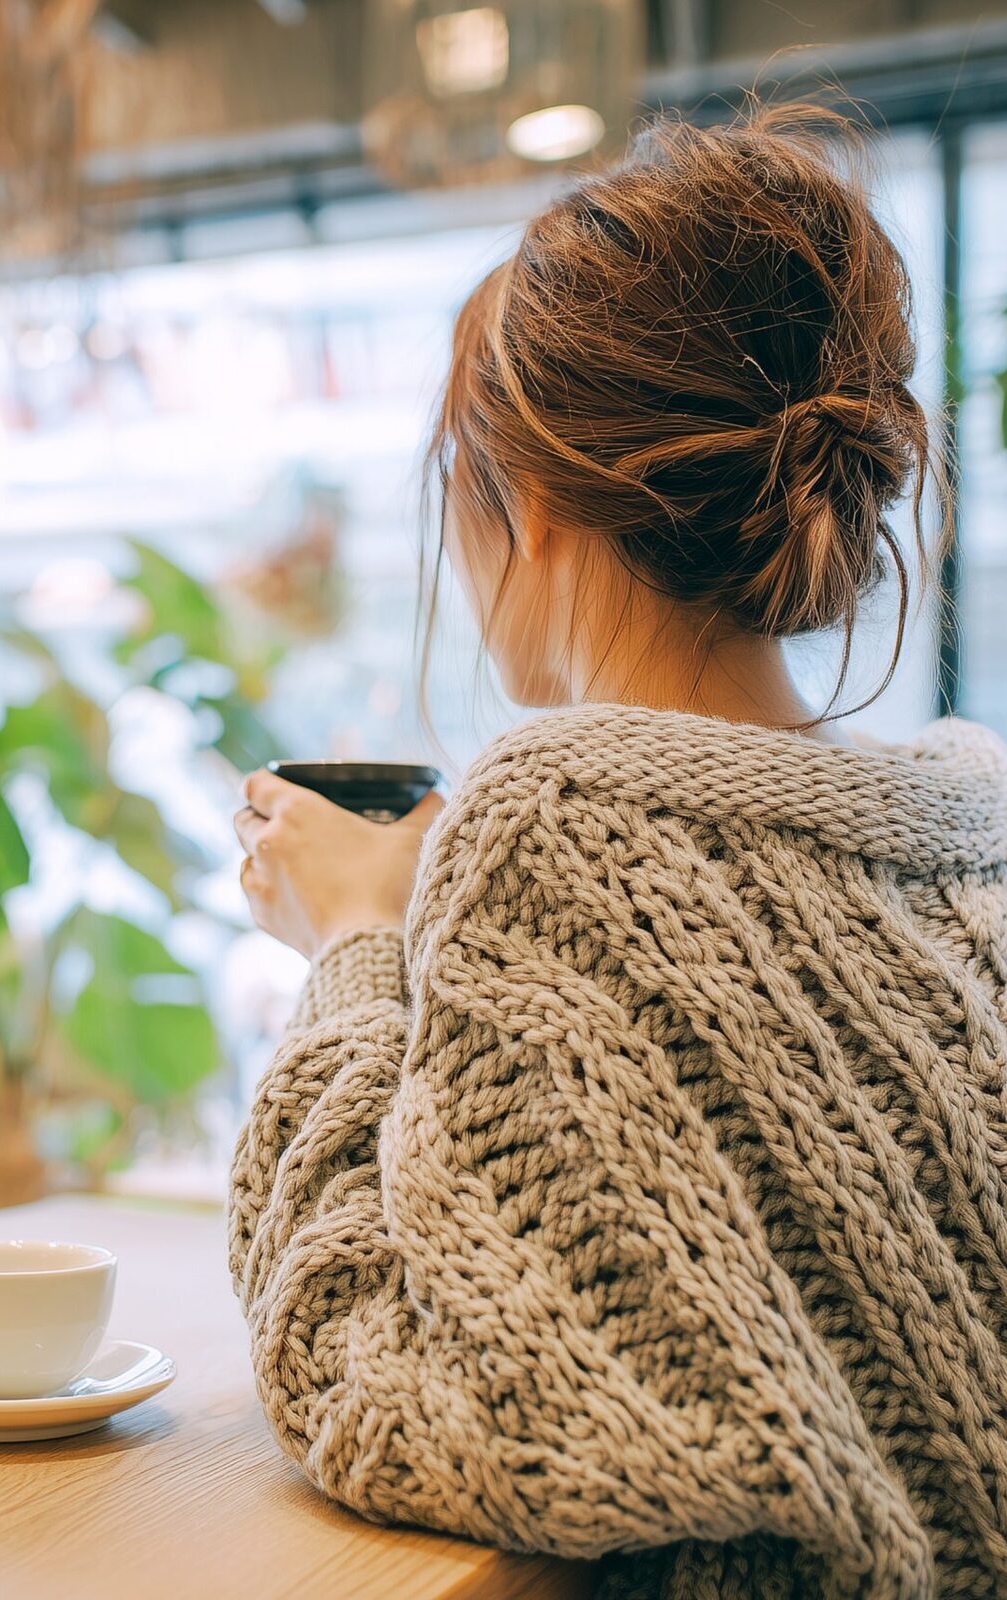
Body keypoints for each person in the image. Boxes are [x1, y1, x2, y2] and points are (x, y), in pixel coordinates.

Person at [230, 106, 1007, 1600]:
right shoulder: (955, 836)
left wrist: (351, 953)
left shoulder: (561, 820)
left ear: (523, 499)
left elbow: (384, 1390)